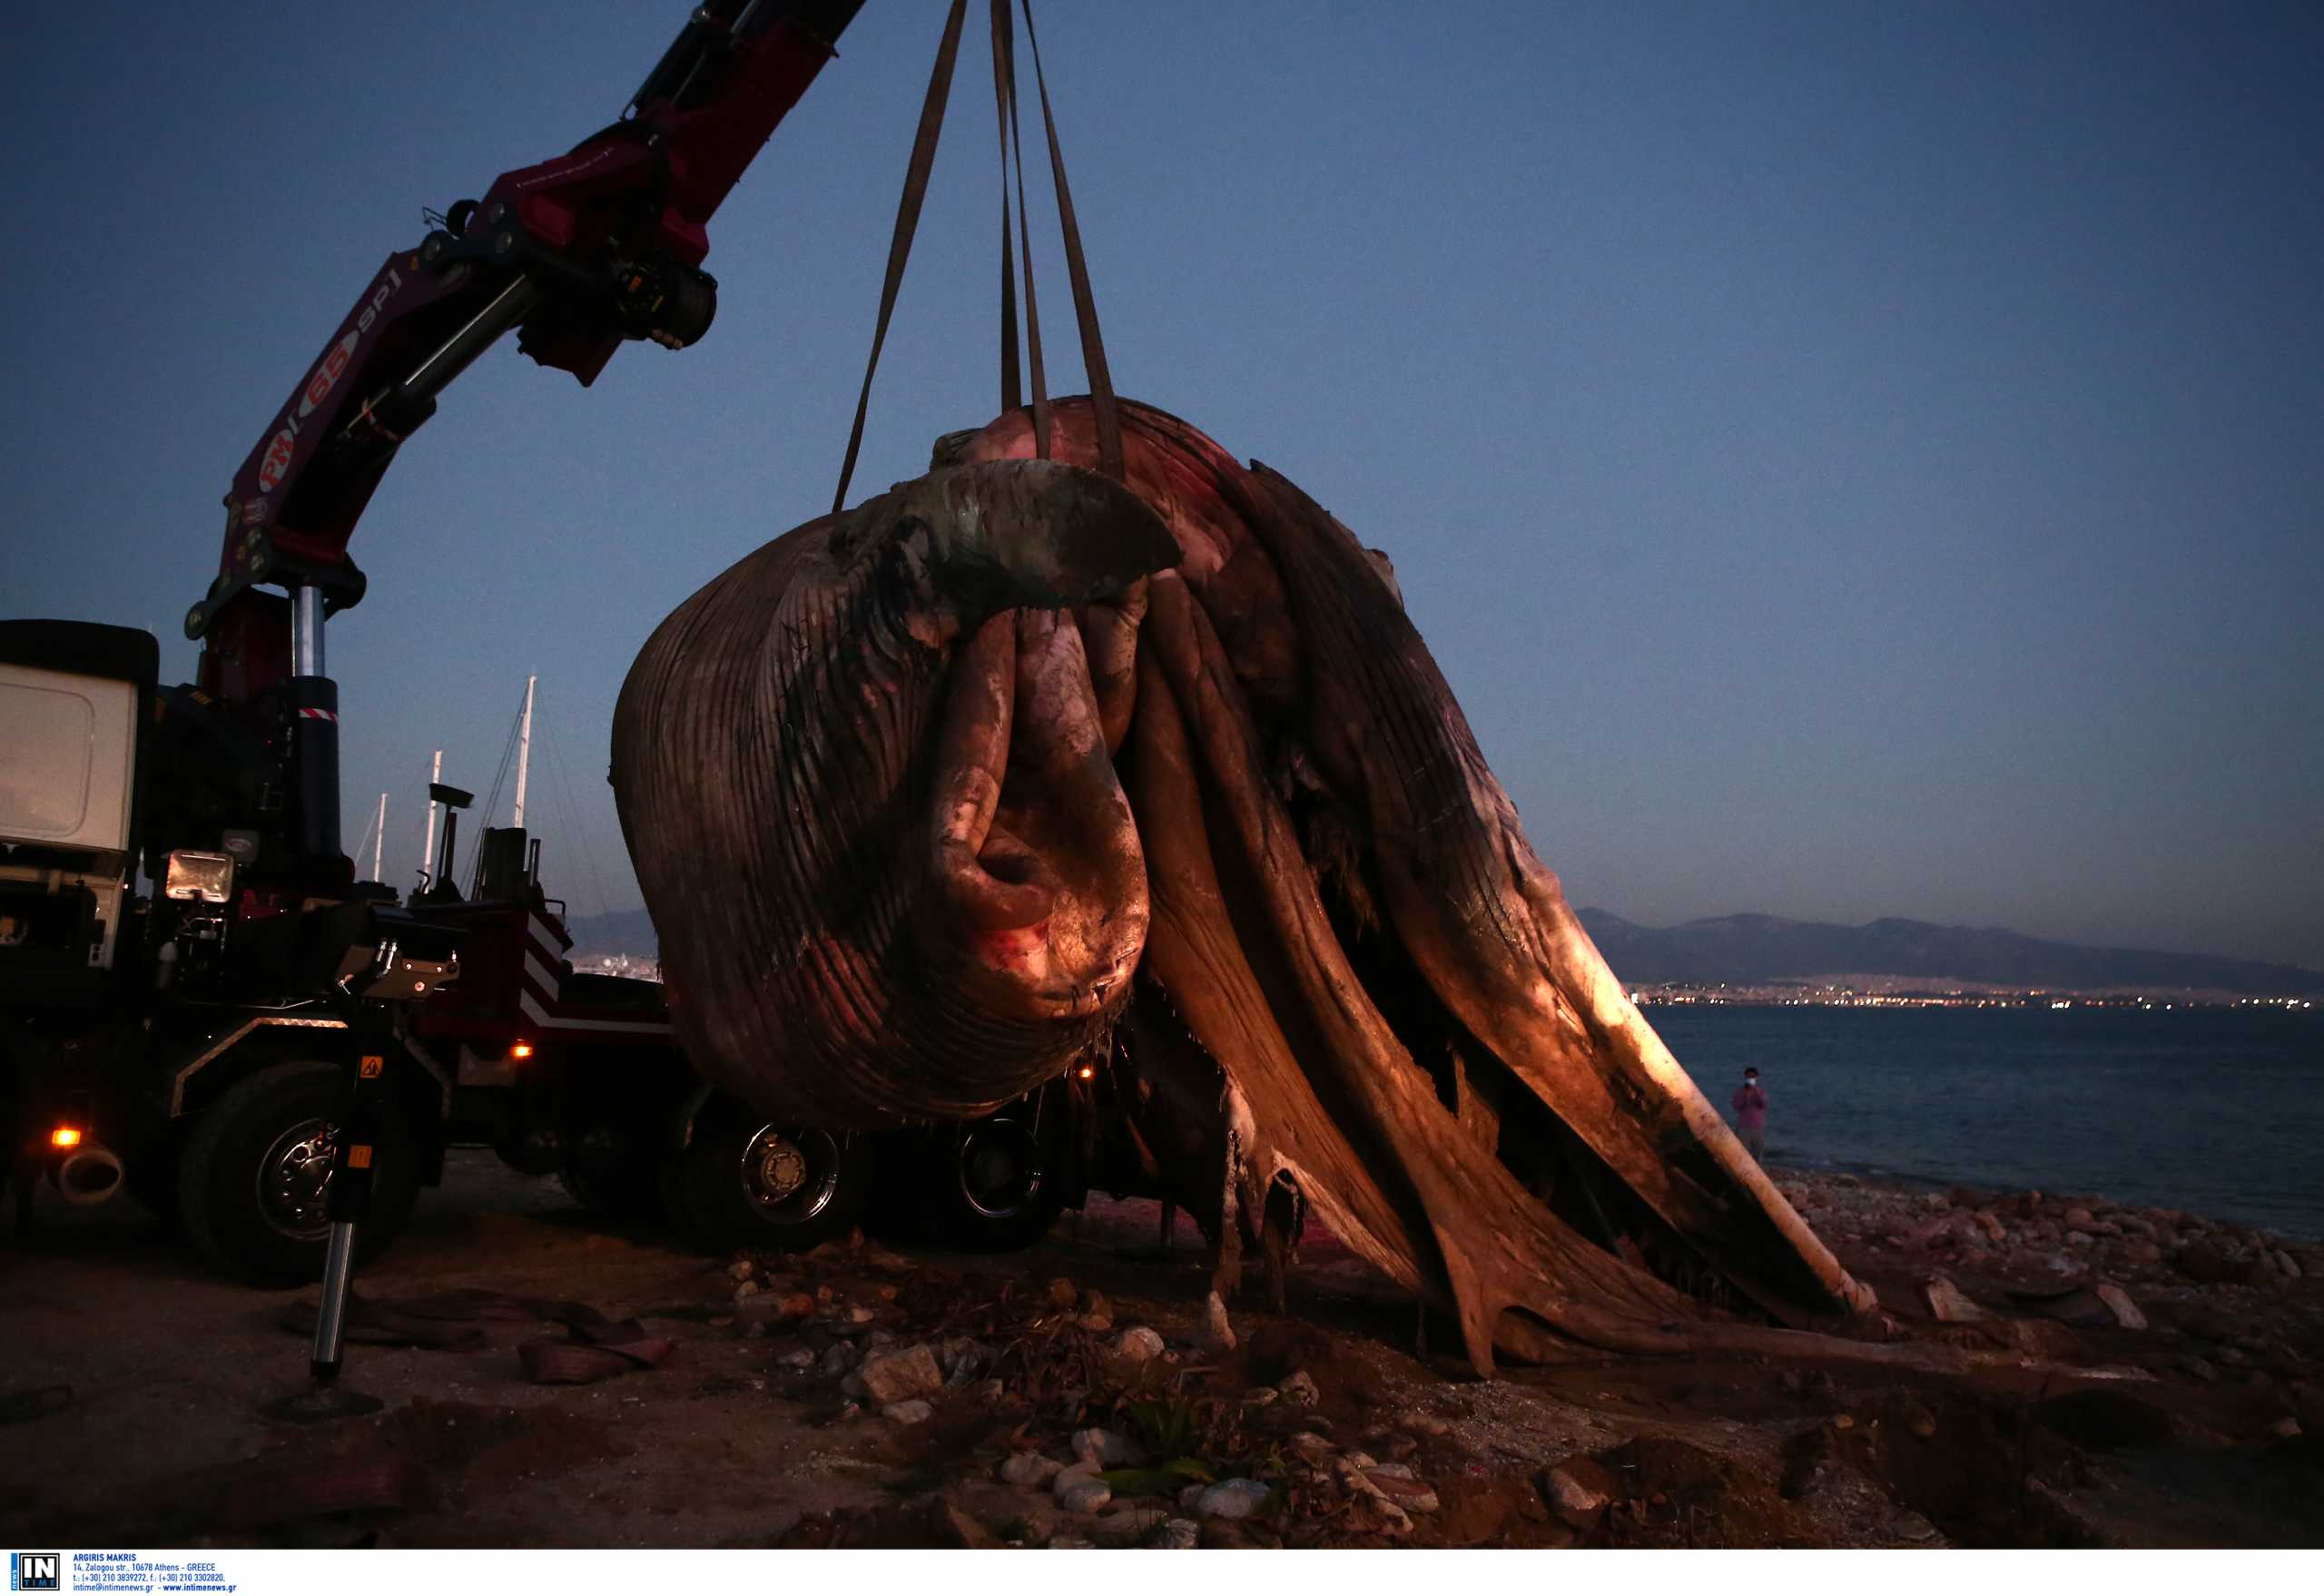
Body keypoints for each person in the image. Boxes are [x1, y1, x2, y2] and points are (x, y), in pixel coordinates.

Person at [1730, 1067, 1768, 1162]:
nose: (1750, 1078)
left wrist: (1756, 1092)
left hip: (1758, 1127)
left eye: (1752, 1076)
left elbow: (1764, 1105)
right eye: (1748, 1076)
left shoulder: (1761, 1092)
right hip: (1744, 1127)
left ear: (1756, 1077)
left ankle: (1757, 1172)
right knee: (1742, 1153)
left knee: (1758, 1152)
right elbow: (1736, 1106)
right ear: (1745, 1077)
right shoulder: (1740, 1092)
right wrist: (1745, 1096)